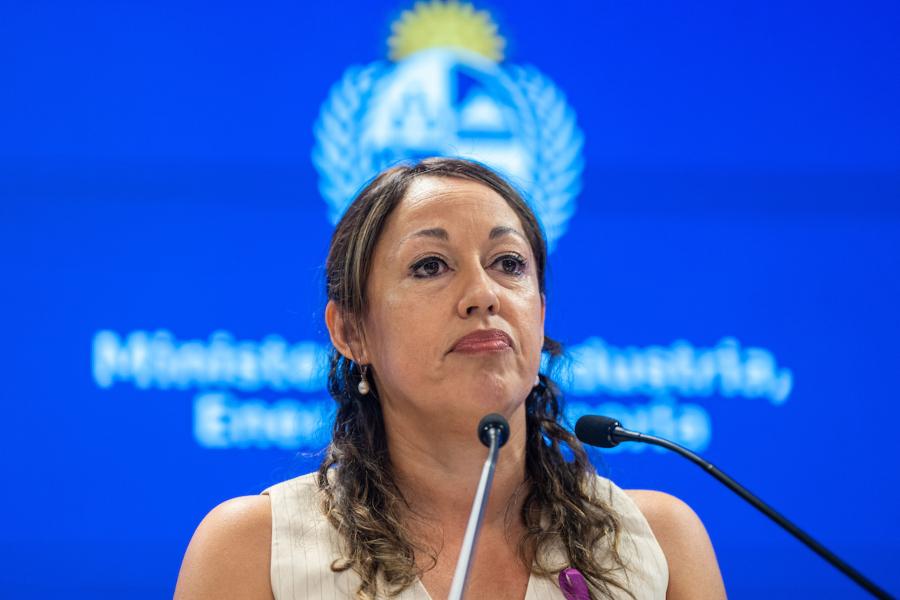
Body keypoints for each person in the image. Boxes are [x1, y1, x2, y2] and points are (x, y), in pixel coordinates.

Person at [174, 157, 726, 599]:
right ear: (350, 331)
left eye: (508, 263)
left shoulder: (656, 543)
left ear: (540, 311)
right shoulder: (253, 549)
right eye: (430, 266)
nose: (484, 294)